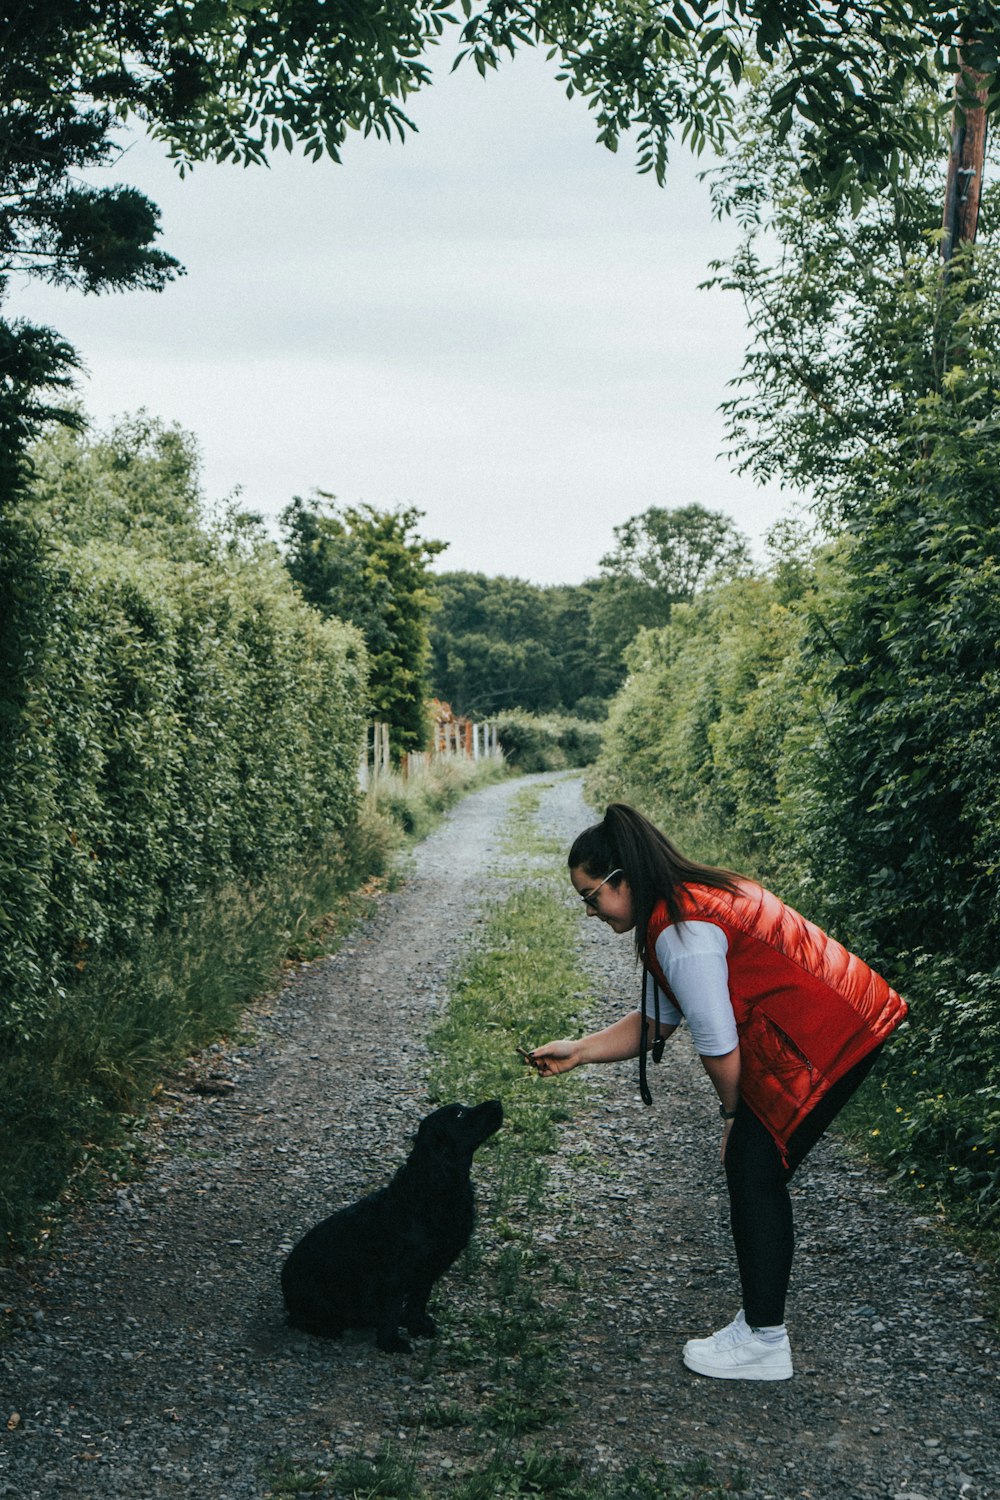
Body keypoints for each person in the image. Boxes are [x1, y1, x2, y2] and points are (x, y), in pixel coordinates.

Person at [523, 802, 907, 1382]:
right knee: (755, 1167)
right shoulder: (687, 900)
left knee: (753, 1167)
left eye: (590, 896)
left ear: (622, 878)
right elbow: (661, 1017)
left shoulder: (681, 933)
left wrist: (734, 1116)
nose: (589, 911)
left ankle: (763, 1342)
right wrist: (578, 1049)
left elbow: (718, 1045)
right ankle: (759, 1327)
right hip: (847, 1018)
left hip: (834, 1035)